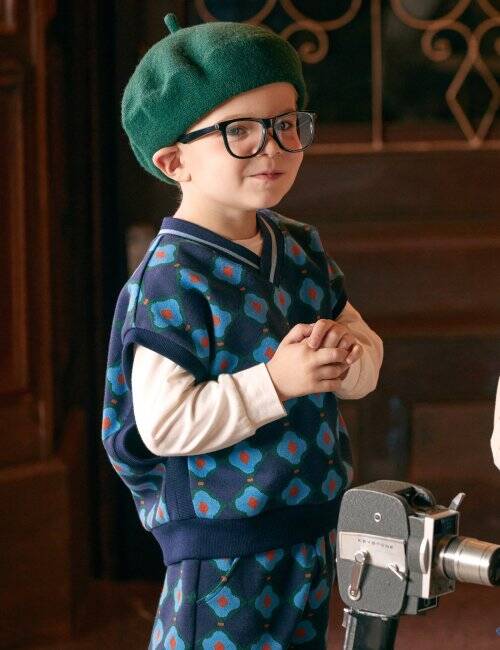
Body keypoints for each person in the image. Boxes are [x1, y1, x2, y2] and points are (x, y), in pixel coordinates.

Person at [102, 13, 383, 649]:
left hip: (310, 525)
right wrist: (277, 382)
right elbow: (164, 426)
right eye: (240, 131)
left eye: (286, 124)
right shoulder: (171, 280)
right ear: (174, 159)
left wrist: (349, 359)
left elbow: (363, 353)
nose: (273, 147)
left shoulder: (300, 248)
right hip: (223, 545)